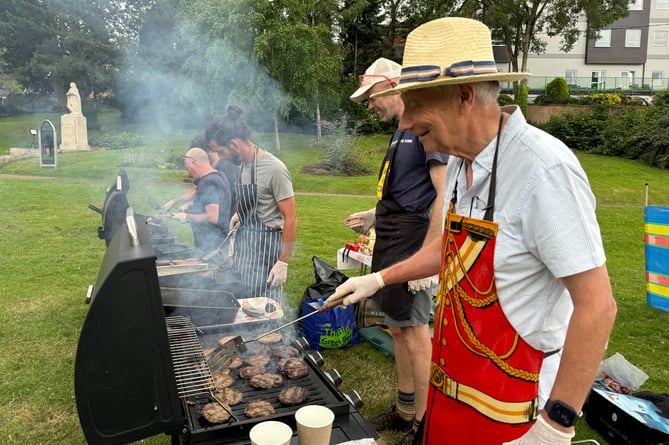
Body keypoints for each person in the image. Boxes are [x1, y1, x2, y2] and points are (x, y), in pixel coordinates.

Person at [326, 17, 617, 445]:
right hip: (454, 390)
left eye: (416, 106)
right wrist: (379, 278)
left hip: (512, 407)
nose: (405, 125)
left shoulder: (544, 169)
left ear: (463, 96)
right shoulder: (465, 161)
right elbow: (458, 244)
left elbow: (597, 306)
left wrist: (555, 427)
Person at [346, 57, 448, 445]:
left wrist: (429, 257)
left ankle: (425, 425)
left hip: (413, 238)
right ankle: (405, 409)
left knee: (415, 332)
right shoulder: (401, 130)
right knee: (396, 327)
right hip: (391, 234)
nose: (369, 104)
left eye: (371, 96)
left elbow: (441, 197)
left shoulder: (425, 127)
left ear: (391, 85)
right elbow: (407, 188)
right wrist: (375, 214)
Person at [205, 105, 297, 301]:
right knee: (243, 302)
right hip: (245, 246)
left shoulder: (274, 169)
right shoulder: (241, 166)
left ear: (234, 145)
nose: (220, 158)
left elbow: (291, 218)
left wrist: (283, 261)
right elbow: (254, 201)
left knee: (264, 308)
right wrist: (240, 215)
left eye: (220, 152)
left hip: (267, 251)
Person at [171, 147, 232, 256]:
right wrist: (191, 205)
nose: (188, 172)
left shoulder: (207, 182)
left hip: (211, 245)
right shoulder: (219, 175)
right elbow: (217, 203)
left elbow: (212, 217)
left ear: (194, 162)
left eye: (188, 168)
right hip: (220, 242)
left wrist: (186, 217)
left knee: (210, 272)